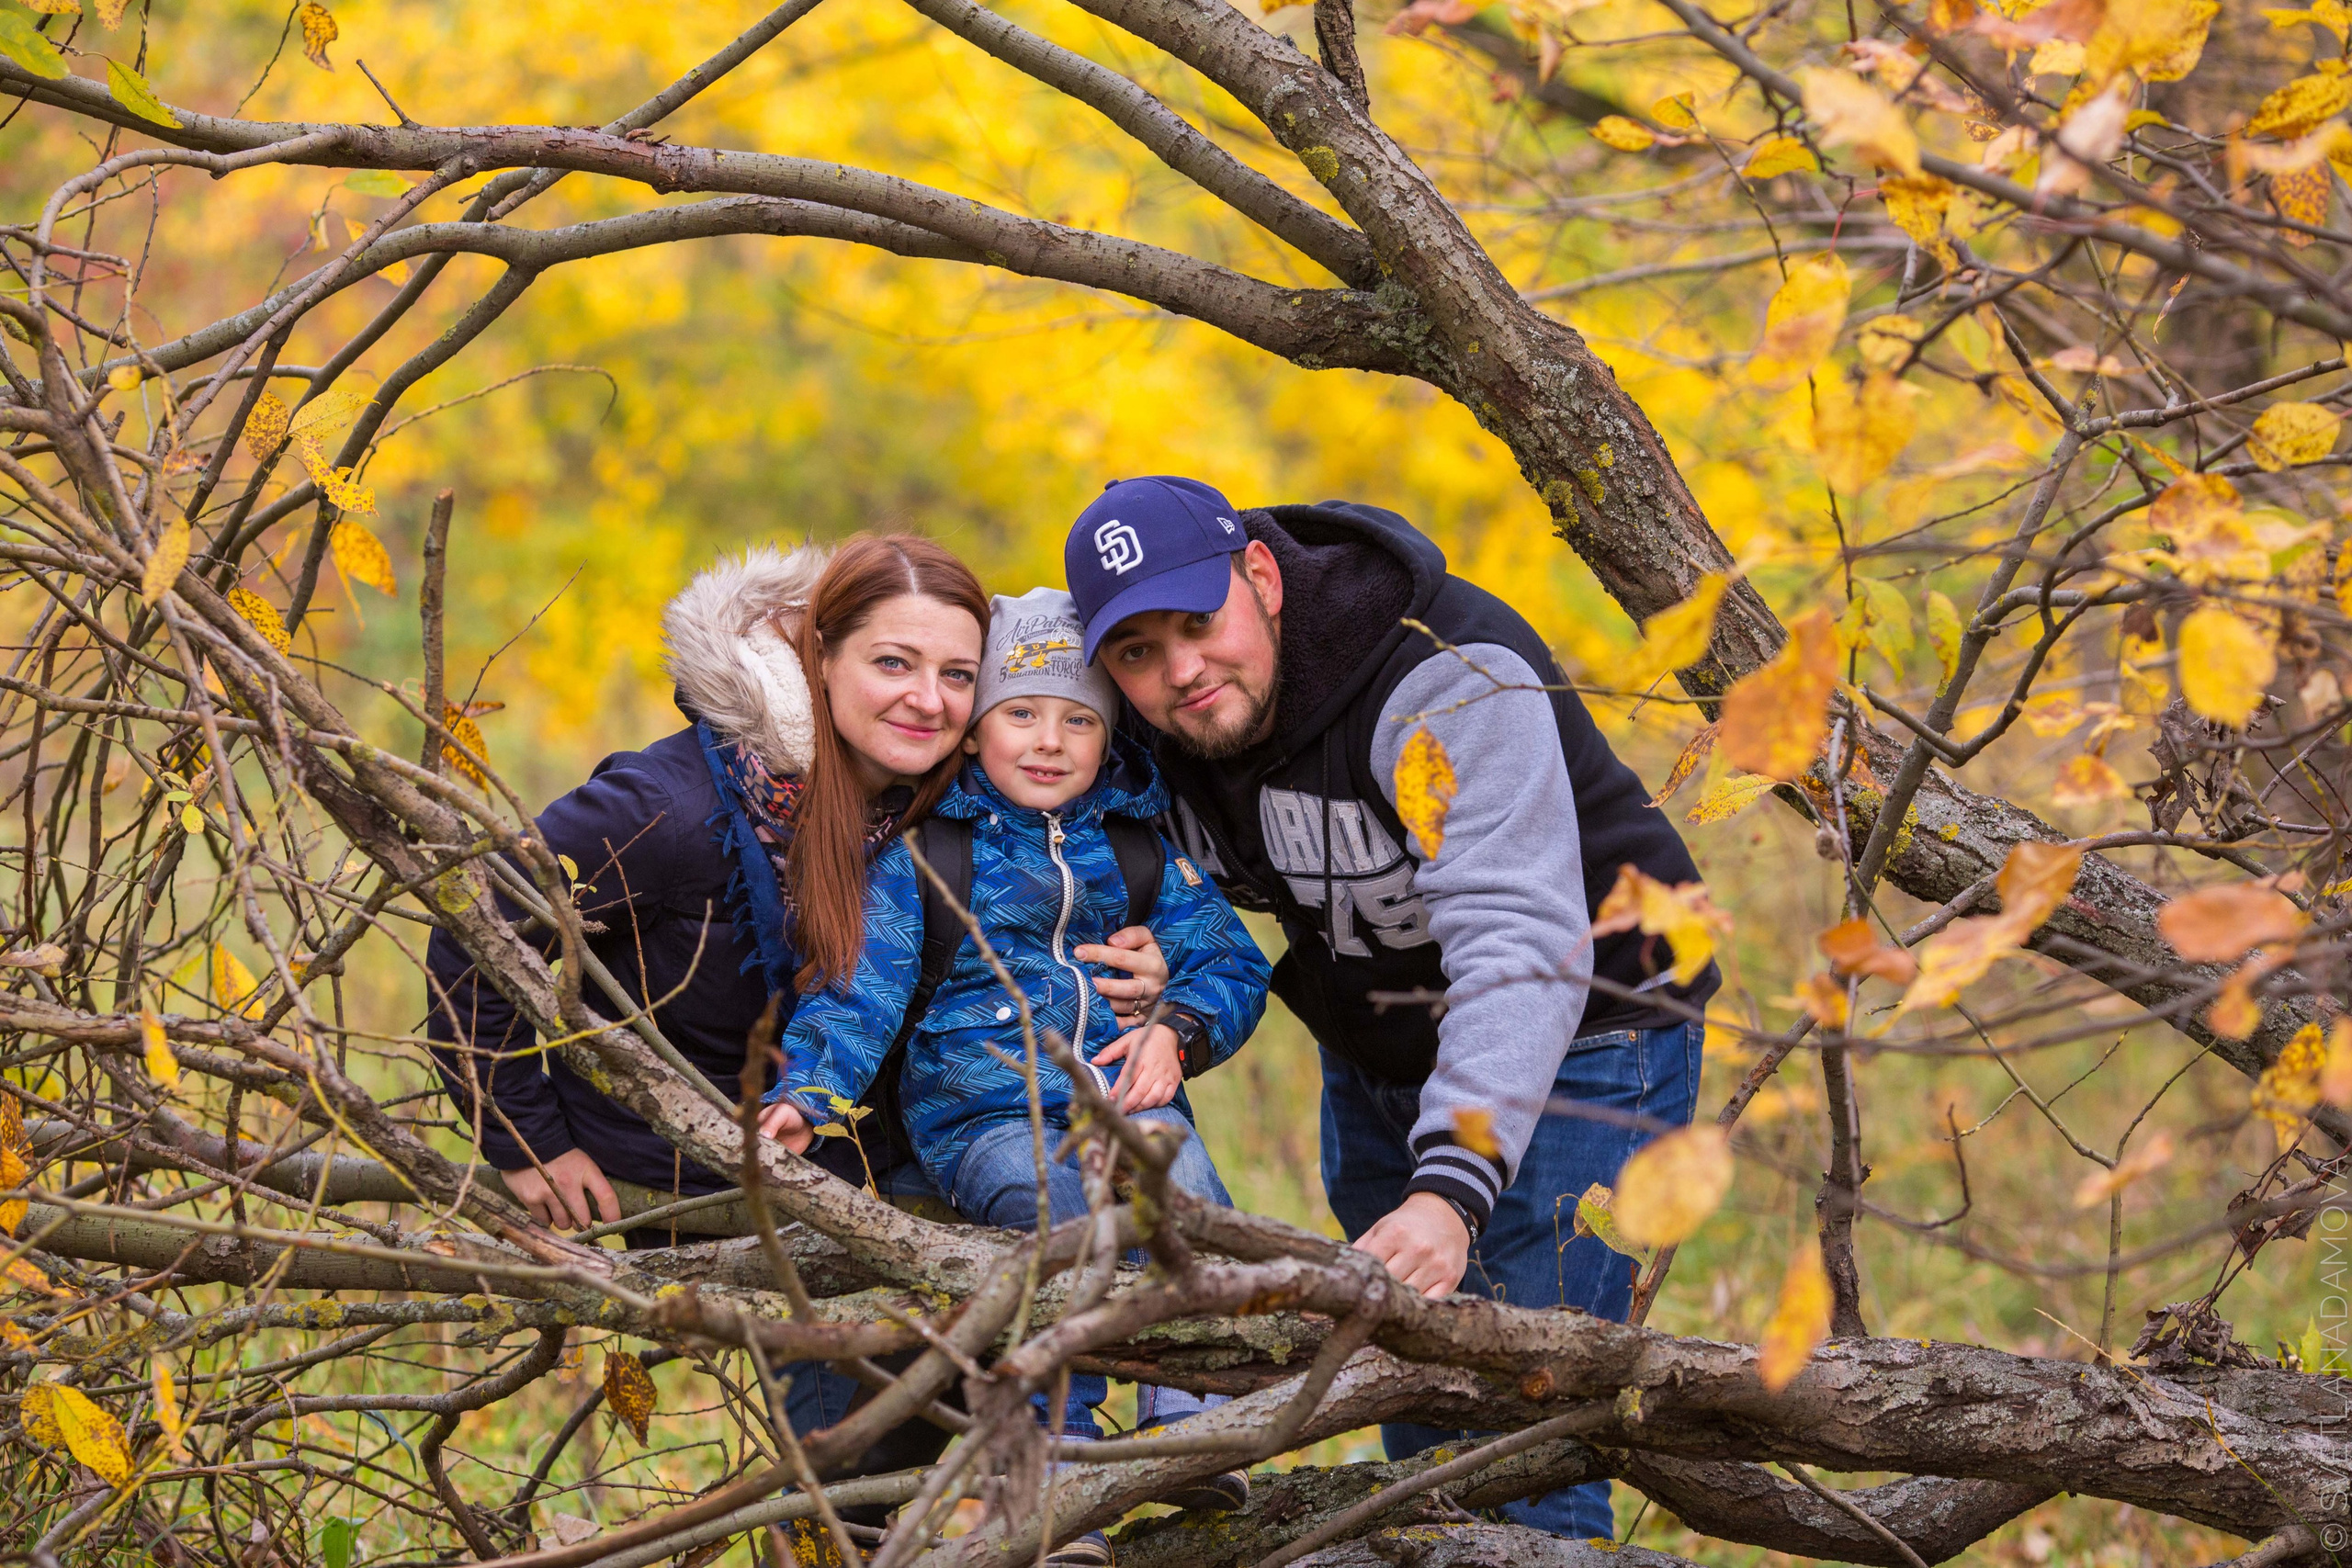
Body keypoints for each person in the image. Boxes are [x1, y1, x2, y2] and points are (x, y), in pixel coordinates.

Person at [423, 537, 1170, 1502]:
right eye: (893, 663)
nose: (928, 699)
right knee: (850, 1472)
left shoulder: (945, 809)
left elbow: (1033, 944)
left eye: (957, 675)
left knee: (928, 1437)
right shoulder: (671, 807)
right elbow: (477, 926)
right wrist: (524, 1135)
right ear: (820, 657)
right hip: (713, 1179)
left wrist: (1148, 975)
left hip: (894, 1163)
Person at [1062, 478, 1719, 1542]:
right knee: (1422, 1418)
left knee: (1526, 1439)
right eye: (1137, 651)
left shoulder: (1441, 675)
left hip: (1585, 1026)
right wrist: (1156, 957)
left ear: (1261, 576)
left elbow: (1516, 937)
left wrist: (1450, 1188)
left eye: (1198, 622)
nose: (1180, 670)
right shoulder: (1157, 727)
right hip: (1380, 1042)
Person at [761, 588, 1272, 1567]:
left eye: (1078, 719)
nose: (1048, 740)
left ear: (1108, 736)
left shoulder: (1137, 849)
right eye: (1021, 713)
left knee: (1186, 1189)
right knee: (1060, 1218)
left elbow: (1233, 962)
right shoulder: (930, 856)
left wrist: (1178, 1030)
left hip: (1125, 1103)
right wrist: (807, 1095)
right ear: (977, 730)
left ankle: (1187, 1419)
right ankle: (1053, 1471)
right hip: (984, 1116)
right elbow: (859, 992)